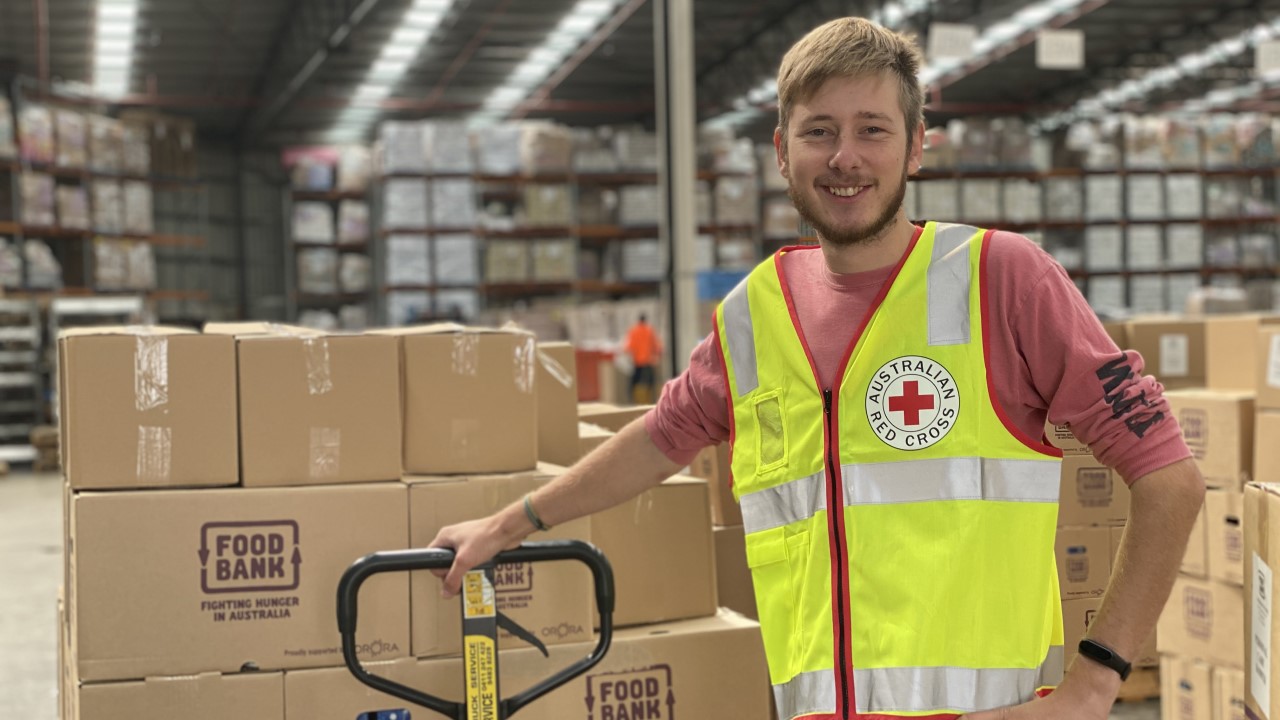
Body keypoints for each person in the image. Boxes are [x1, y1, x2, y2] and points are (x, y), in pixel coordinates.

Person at [429, 17, 1203, 720]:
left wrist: (1095, 682)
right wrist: (507, 524)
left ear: (917, 145)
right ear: (780, 150)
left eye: (873, 129)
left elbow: (1170, 479)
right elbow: (658, 439)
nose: (845, 158)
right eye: (819, 131)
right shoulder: (751, 316)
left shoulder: (1002, 279)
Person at [623, 313, 662, 403]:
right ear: (645, 320)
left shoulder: (633, 330)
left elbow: (629, 346)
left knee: (635, 382)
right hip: (648, 361)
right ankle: (651, 401)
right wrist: (657, 354)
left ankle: (633, 401)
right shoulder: (649, 330)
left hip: (637, 361)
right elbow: (656, 345)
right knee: (650, 382)